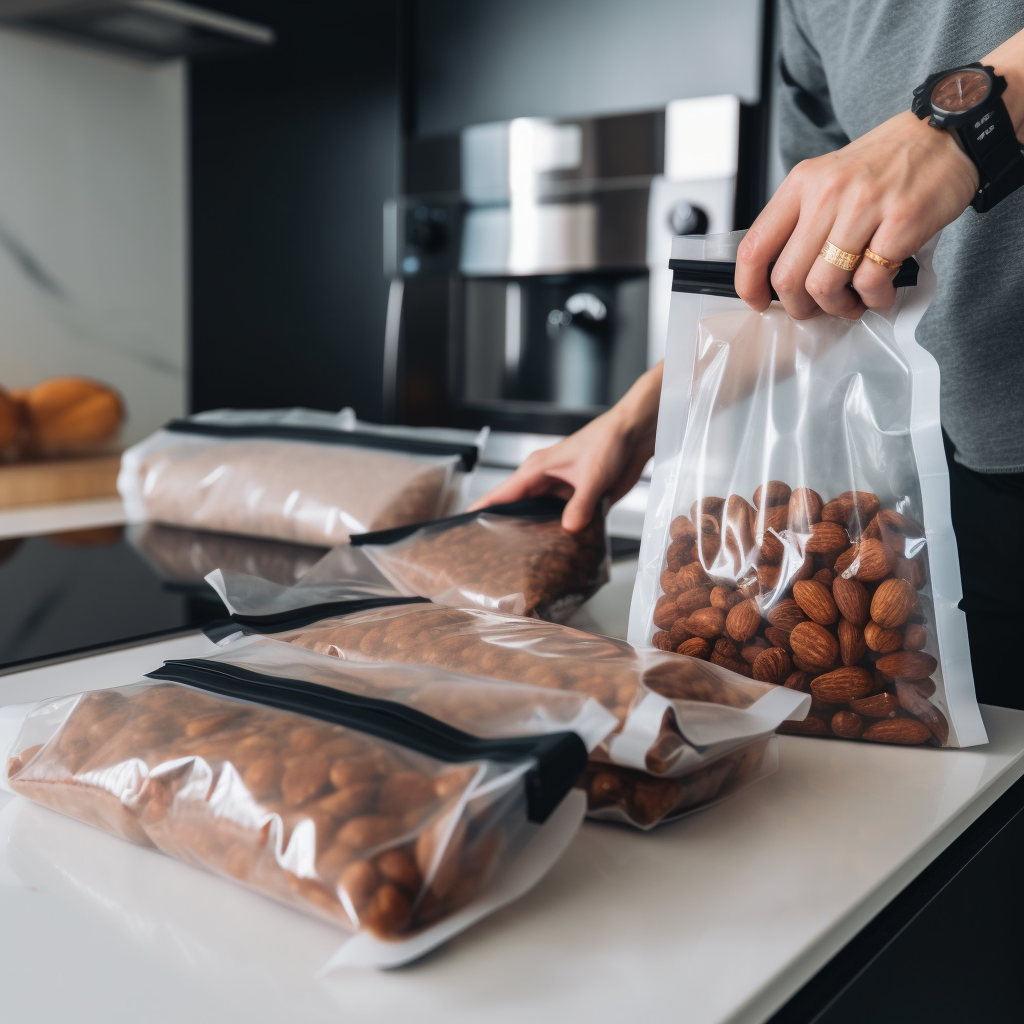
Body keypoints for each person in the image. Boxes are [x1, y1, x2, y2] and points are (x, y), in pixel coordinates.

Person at [473, 2, 1024, 707]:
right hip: (969, 494)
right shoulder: (806, 11)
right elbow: (806, 283)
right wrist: (638, 420)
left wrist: (968, 119)